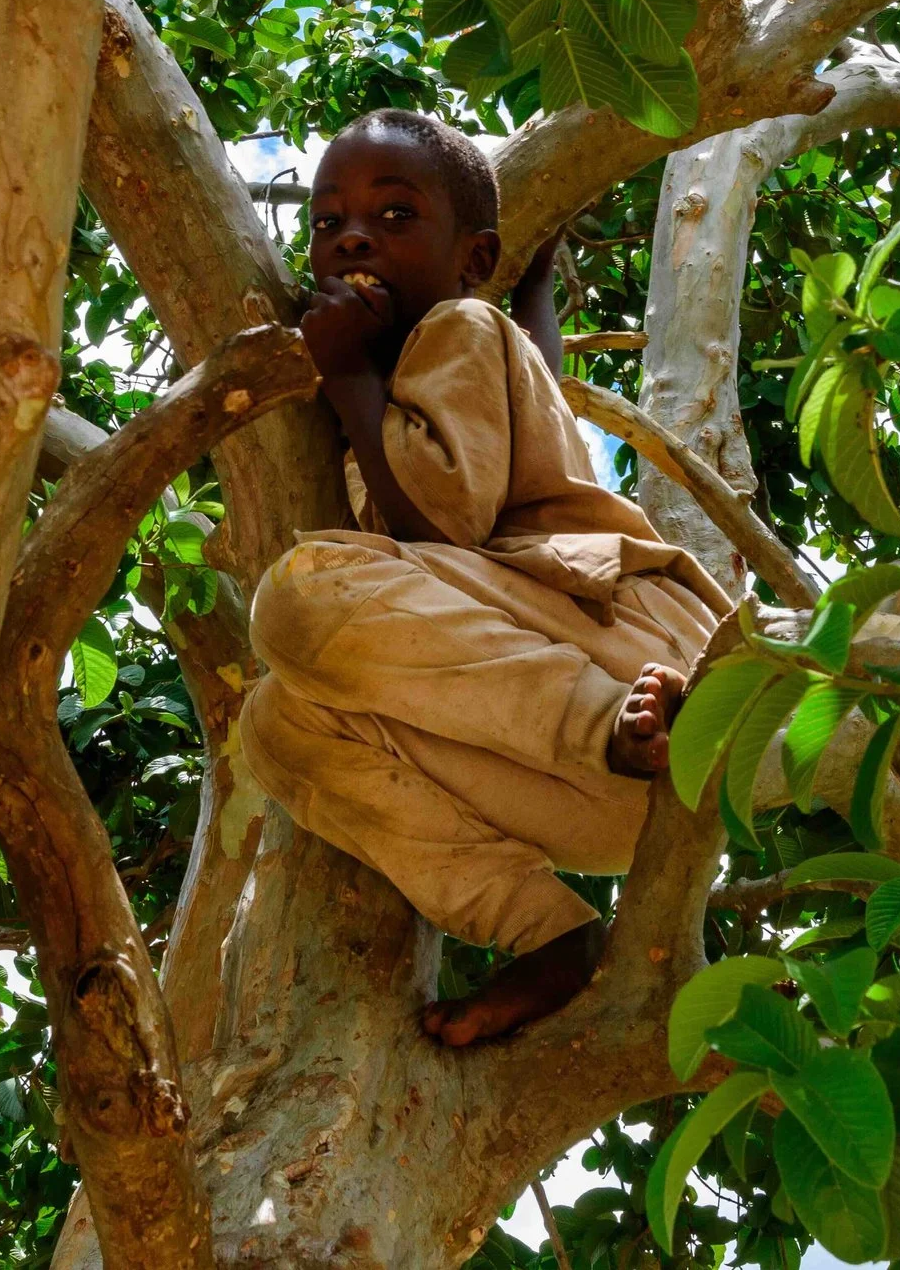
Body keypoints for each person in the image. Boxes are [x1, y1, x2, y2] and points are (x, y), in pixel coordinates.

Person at [239, 107, 728, 1047]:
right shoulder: (475, 349)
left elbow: (450, 519)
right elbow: (528, 377)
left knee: (301, 595)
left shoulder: (459, 325)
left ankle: (603, 731)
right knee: (274, 727)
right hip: (583, 792)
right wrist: (533, 288)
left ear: (472, 261)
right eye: (326, 220)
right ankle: (546, 931)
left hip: (628, 686)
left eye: (394, 216)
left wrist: (347, 378)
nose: (350, 236)